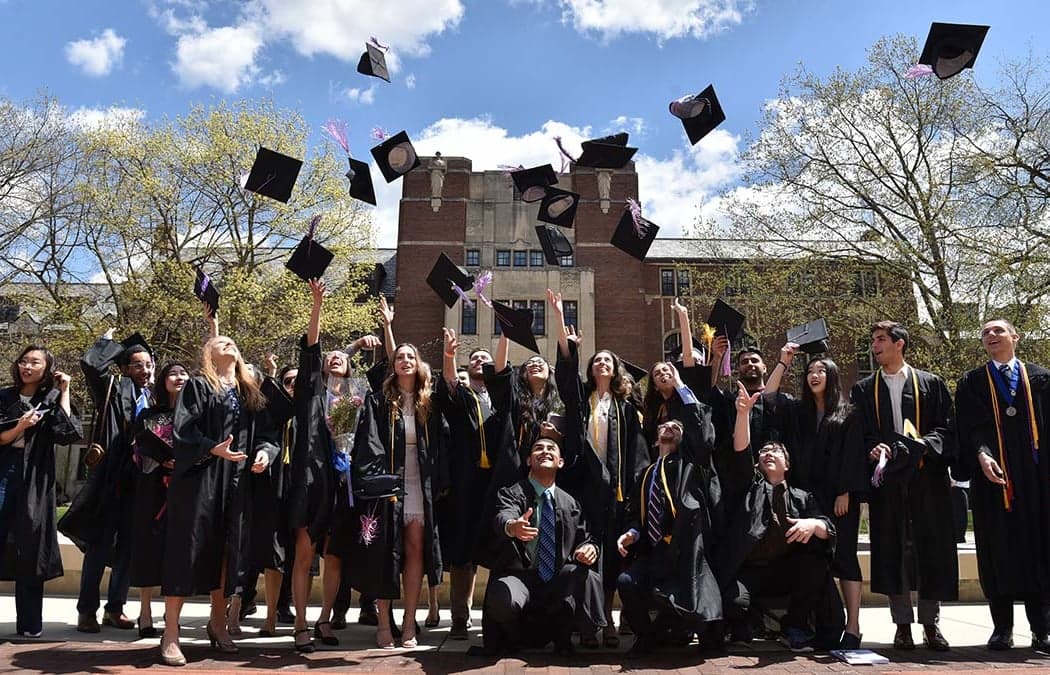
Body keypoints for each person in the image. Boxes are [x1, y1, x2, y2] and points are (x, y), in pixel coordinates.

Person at [159, 335, 279, 666]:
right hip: (200, 480)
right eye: (220, 342)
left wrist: (265, 453)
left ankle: (218, 622)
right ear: (208, 354)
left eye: (232, 342)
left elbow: (268, 434)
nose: (229, 344)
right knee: (186, 551)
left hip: (237, 480)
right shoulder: (198, 386)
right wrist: (212, 448)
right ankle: (171, 633)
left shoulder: (249, 392)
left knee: (228, 552)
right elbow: (184, 428)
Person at [548, 288, 649, 647]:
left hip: (617, 490)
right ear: (591, 369)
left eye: (608, 361)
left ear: (615, 368)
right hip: (584, 486)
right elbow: (565, 371)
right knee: (586, 549)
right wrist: (559, 318)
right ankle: (588, 621)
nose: (602, 364)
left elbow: (637, 451)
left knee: (612, 555)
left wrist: (634, 487)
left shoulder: (626, 407)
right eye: (597, 361)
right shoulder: (581, 400)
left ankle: (607, 621)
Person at [850, 321, 956, 651]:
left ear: (900, 344)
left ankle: (930, 624)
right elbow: (861, 431)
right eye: (873, 340)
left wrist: (924, 445)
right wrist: (873, 448)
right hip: (888, 482)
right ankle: (902, 625)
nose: (874, 346)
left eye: (880, 339)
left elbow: (947, 427)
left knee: (930, 548)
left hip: (926, 478)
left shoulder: (931, 383)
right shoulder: (864, 389)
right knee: (892, 549)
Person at [955, 319, 1050, 654]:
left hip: (1037, 483)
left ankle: (1042, 629)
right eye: (985, 333)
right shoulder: (973, 382)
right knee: (998, 550)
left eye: (998, 331)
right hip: (993, 482)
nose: (991, 336)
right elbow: (969, 428)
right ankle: (1002, 628)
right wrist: (981, 455)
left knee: (1039, 549)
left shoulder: (1041, 379)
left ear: (1015, 337)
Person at [720, 382, 836, 653]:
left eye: (776, 451)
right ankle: (749, 624)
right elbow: (741, 451)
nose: (769, 453)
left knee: (816, 561)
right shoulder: (748, 486)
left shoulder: (802, 497)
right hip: (748, 570)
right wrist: (742, 414)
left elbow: (828, 527)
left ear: (788, 464)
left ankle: (793, 627)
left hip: (785, 570)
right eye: (764, 451)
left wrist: (814, 524)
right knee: (733, 604)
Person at [765, 347, 868, 648]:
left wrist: (845, 491)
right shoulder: (799, 412)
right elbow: (769, 397)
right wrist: (783, 361)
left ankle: (853, 627)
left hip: (838, 497)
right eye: (810, 371)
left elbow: (853, 454)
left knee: (845, 558)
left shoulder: (848, 413)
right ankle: (819, 624)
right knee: (812, 560)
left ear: (832, 376)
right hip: (807, 500)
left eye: (821, 371)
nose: (814, 375)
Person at [350, 315, 443, 649]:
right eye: (399, 357)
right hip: (388, 483)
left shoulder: (429, 402)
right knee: (386, 551)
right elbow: (370, 442)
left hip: (418, 483)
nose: (405, 360)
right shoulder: (379, 401)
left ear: (418, 365)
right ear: (393, 364)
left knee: (415, 548)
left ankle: (408, 623)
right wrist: (388, 327)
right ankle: (383, 623)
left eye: (410, 357)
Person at [60, 330, 155, 633]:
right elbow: (91, 366)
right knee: (99, 547)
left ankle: (115, 608)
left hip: (139, 482)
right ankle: (87, 610)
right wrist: (108, 343)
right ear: (124, 368)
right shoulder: (113, 389)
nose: (145, 370)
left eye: (149, 364)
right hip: (111, 479)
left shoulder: (154, 397)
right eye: (137, 365)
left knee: (128, 548)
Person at [616, 383, 721, 657]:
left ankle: (675, 632)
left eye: (677, 427)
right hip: (654, 552)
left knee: (680, 601)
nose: (670, 427)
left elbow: (701, 436)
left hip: (686, 551)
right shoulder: (645, 474)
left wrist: (683, 389)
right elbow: (635, 515)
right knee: (626, 582)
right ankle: (647, 636)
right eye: (665, 425)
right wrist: (631, 533)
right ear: (655, 439)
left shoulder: (692, 467)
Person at [484, 435, 604, 656]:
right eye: (538, 448)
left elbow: (585, 538)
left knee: (586, 577)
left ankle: (572, 635)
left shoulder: (571, 503)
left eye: (551, 448)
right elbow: (503, 516)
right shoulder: (512, 493)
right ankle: (513, 637)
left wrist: (590, 549)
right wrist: (512, 526)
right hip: (519, 575)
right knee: (503, 598)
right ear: (529, 460)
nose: (545, 451)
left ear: (560, 462)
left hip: (555, 579)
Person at [0, 345, 81, 638]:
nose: (27, 366)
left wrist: (64, 392)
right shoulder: (4, 397)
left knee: (32, 545)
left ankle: (30, 623)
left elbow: (68, 433)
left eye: (35, 362)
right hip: (4, 472)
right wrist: (20, 427)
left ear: (47, 369)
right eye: (24, 361)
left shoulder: (49, 400)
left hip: (35, 477)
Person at [436, 324, 503, 640]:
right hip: (465, 480)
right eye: (474, 358)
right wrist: (449, 356)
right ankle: (460, 619)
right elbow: (449, 385)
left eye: (484, 358)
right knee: (463, 552)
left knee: (498, 549)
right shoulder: (462, 396)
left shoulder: (502, 397)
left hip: (497, 484)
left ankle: (497, 618)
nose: (479, 361)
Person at [128, 361, 189, 638]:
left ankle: (172, 615)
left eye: (183, 373)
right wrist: (163, 458)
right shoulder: (149, 414)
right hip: (153, 489)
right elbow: (140, 446)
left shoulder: (197, 414)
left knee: (178, 551)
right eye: (173, 374)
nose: (179, 377)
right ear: (163, 381)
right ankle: (145, 611)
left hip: (185, 487)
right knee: (148, 549)